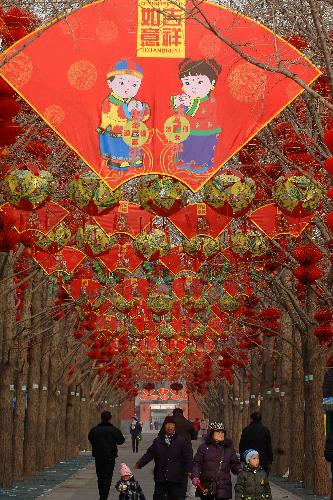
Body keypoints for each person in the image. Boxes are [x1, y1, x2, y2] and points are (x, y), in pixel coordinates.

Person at [170, 58, 222, 174]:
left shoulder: (211, 101)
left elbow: (203, 112)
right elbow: (176, 113)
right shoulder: (186, 98)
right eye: (187, 82)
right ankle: (184, 162)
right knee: (186, 147)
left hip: (206, 133)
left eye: (199, 82)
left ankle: (201, 164)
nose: (193, 87)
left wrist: (190, 104)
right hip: (186, 131)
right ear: (182, 85)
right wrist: (177, 104)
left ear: (212, 83)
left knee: (201, 150)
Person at [97, 58, 150, 171]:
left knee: (133, 144)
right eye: (121, 82)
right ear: (110, 83)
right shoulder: (109, 102)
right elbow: (112, 116)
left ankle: (135, 159)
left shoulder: (133, 101)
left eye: (134, 85)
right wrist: (126, 109)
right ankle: (118, 161)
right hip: (115, 133)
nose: (127, 88)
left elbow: (144, 118)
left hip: (132, 133)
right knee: (119, 147)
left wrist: (142, 109)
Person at [135, 415, 193, 500]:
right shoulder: (158, 441)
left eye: (171, 424)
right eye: (167, 424)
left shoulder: (181, 441)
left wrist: (188, 470)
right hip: (160, 477)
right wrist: (139, 463)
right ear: (164, 426)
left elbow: (187, 457)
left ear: (175, 427)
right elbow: (149, 454)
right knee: (158, 497)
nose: (169, 426)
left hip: (175, 477)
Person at [192, 422, 242, 500]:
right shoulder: (204, 447)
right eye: (218, 432)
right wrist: (195, 476)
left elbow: (234, 464)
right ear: (212, 433)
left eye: (222, 432)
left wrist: (240, 470)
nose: (221, 434)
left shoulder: (229, 449)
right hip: (207, 485)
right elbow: (197, 463)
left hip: (223, 486)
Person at [88, 410, 125, 500]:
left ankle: (102, 495)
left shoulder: (95, 430)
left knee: (100, 476)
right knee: (108, 477)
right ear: (110, 418)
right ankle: (104, 496)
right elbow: (121, 441)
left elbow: (90, 439)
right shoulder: (114, 430)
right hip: (110, 457)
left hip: (98, 456)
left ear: (101, 418)